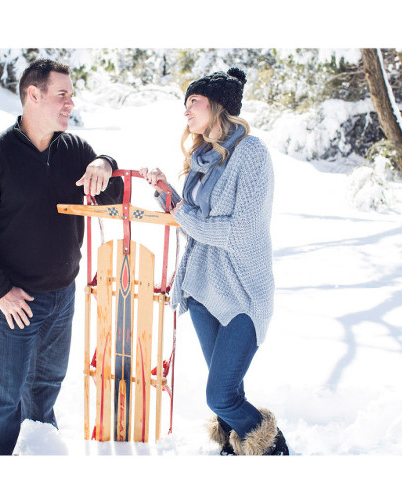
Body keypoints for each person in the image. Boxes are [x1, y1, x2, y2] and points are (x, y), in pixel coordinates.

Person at [0, 59, 124, 455]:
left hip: (63, 295)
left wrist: (106, 164)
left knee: (47, 384)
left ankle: (41, 454)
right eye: (62, 94)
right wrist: (0, 292)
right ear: (33, 95)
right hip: (16, 301)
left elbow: (112, 198)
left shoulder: (73, 150)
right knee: (4, 395)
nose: (70, 103)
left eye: (72, 95)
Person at [141, 67, 289, 456]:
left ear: (218, 107)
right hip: (206, 289)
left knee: (220, 395)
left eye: (194, 102)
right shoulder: (203, 158)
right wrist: (166, 194)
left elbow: (236, 231)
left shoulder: (252, 154)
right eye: (185, 104)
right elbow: (194, 221)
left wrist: (181, 212)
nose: (186, 112)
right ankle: (233, 449)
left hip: (243, 292)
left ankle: (274, 448)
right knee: (229, 392)